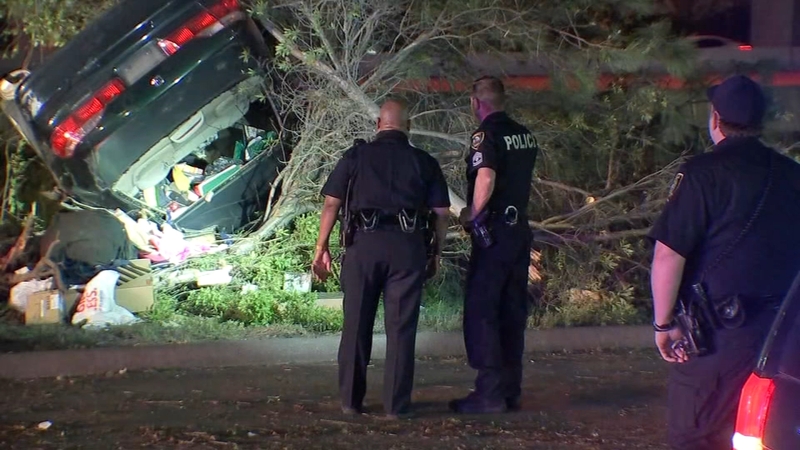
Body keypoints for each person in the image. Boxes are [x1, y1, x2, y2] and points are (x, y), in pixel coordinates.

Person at [648, 74, 800, 449]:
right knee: (767, 434)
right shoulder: (791, 174)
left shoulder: (701, 173)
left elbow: (669, 254)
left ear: (715, 118)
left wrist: (664, 323)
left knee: (696, 435)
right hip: (782, 335)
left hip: (717, 335)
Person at [311, 98, 451, 420]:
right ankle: (395, 406)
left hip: (364, 247)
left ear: (378, 125)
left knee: (356, 325)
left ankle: (350, 402)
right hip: (407, 248)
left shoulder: (356, 156)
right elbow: (442, 213)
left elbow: (332, 203)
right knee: (401, 330)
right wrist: (435, 253)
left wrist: (322, 247)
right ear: (409, 127)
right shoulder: (424, 162)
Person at [449, 76, 539, 414]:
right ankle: (510, 390)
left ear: (476, 103)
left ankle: (489, 393)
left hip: (495, 232)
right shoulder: (524, 136)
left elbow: (485, 175)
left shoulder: (484, 136)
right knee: (512, 310)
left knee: (483, 309)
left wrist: (473, 214)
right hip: (519, 232)